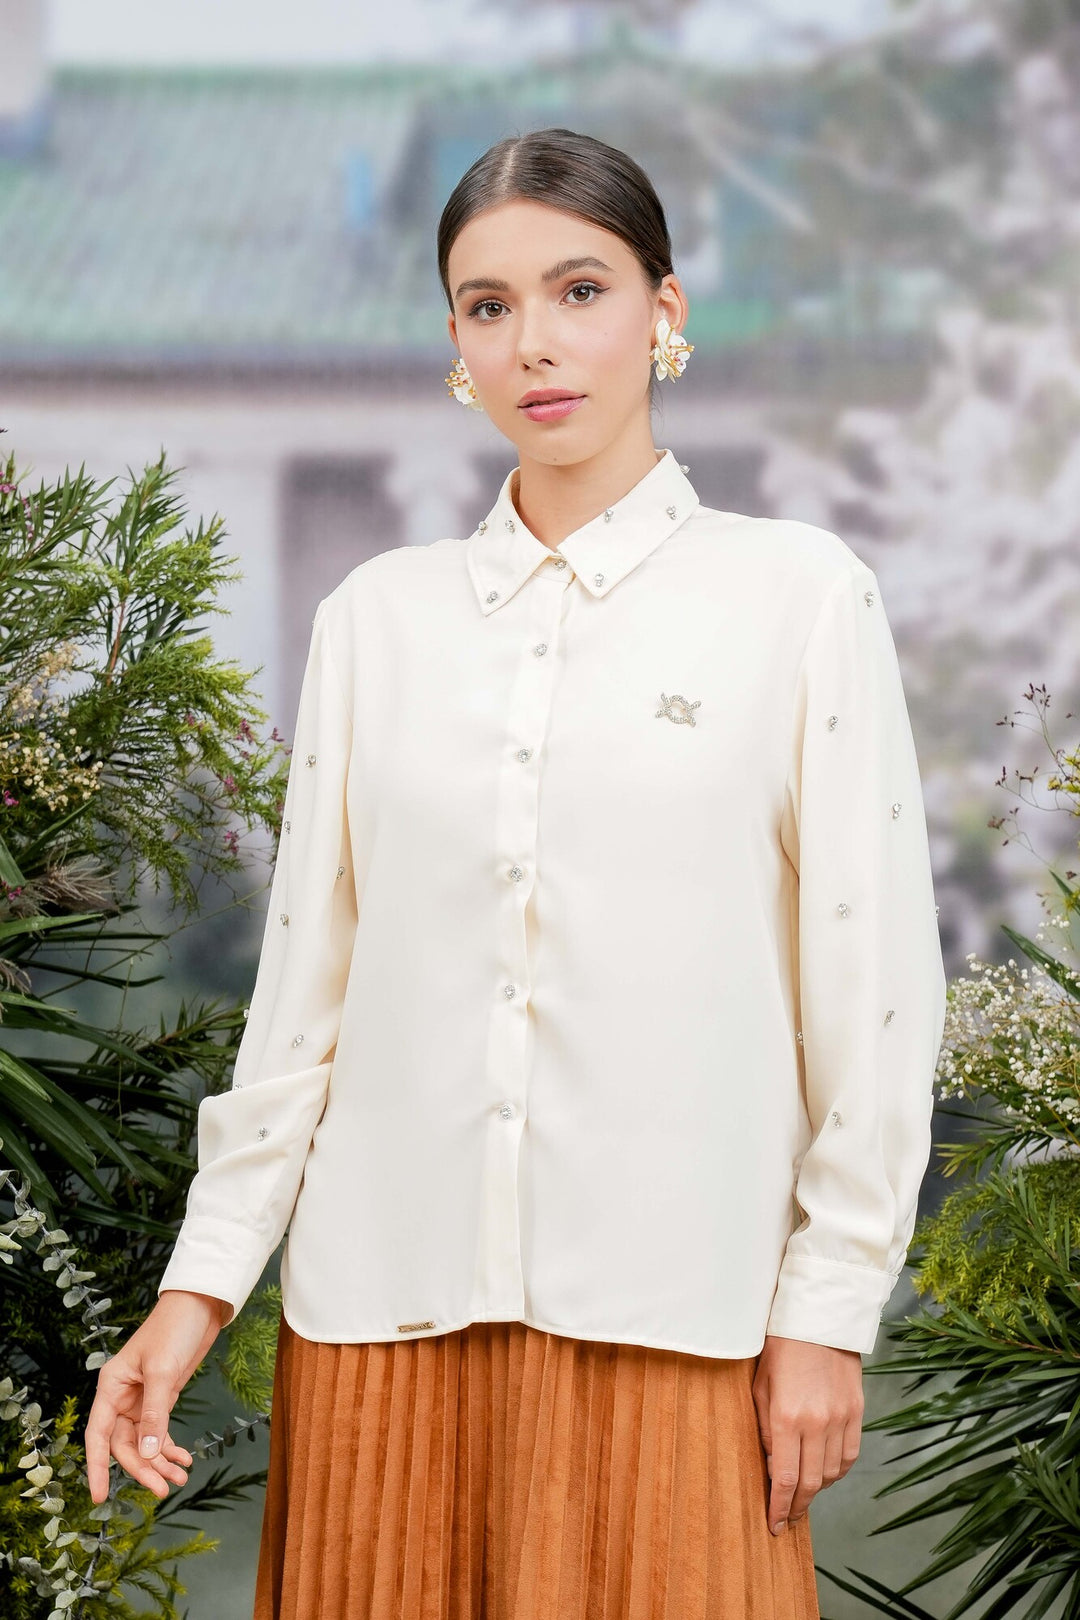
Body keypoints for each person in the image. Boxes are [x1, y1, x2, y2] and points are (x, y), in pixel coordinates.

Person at [84, 127, 947, 1619]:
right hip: (381, 1335)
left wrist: (828, 1310)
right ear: (454, 344)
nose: (534, 342)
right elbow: (304, 1005)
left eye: (579, 289)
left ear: (665, 313)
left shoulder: (800, 599)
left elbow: (871, 993)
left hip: (681, 1324)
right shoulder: (376, 620)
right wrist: (196, 1290)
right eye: (489, 306)